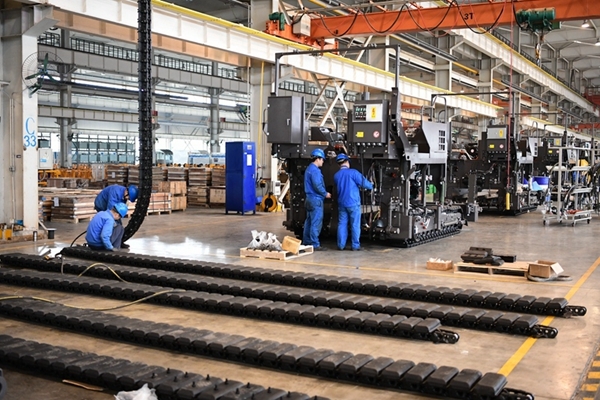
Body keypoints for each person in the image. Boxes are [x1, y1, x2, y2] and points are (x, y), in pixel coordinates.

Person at [334, 153, 373, 251]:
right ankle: (355, 245)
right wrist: (371, 185)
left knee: (342, 224)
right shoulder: (353, 173)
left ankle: (341, 245)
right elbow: (365, 184)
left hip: (342, 203)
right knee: (355, 224)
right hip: (353, 203)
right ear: (347, 161)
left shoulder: (336, 175)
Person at [303, 148, 331, 251]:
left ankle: (306, 242)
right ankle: (315, 244)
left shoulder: (309, 169)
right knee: (316, 222)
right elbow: (317, 185)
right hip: (316, 200)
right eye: (322, 159)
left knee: (309, 221)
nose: (323, 161)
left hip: (309, 199)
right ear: (318, 159)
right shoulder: (315, 171)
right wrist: (325, 193)